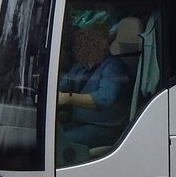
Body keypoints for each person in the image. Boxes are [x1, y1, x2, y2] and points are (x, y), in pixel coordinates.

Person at [57, 22, 135, 157]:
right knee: (48, 135)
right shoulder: (80, 66)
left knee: (58, 143)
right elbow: (62, 86)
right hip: (79, 124)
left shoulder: (114, 67)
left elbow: (104, 98)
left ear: (103, 43)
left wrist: (67, 98)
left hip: (105, 129)